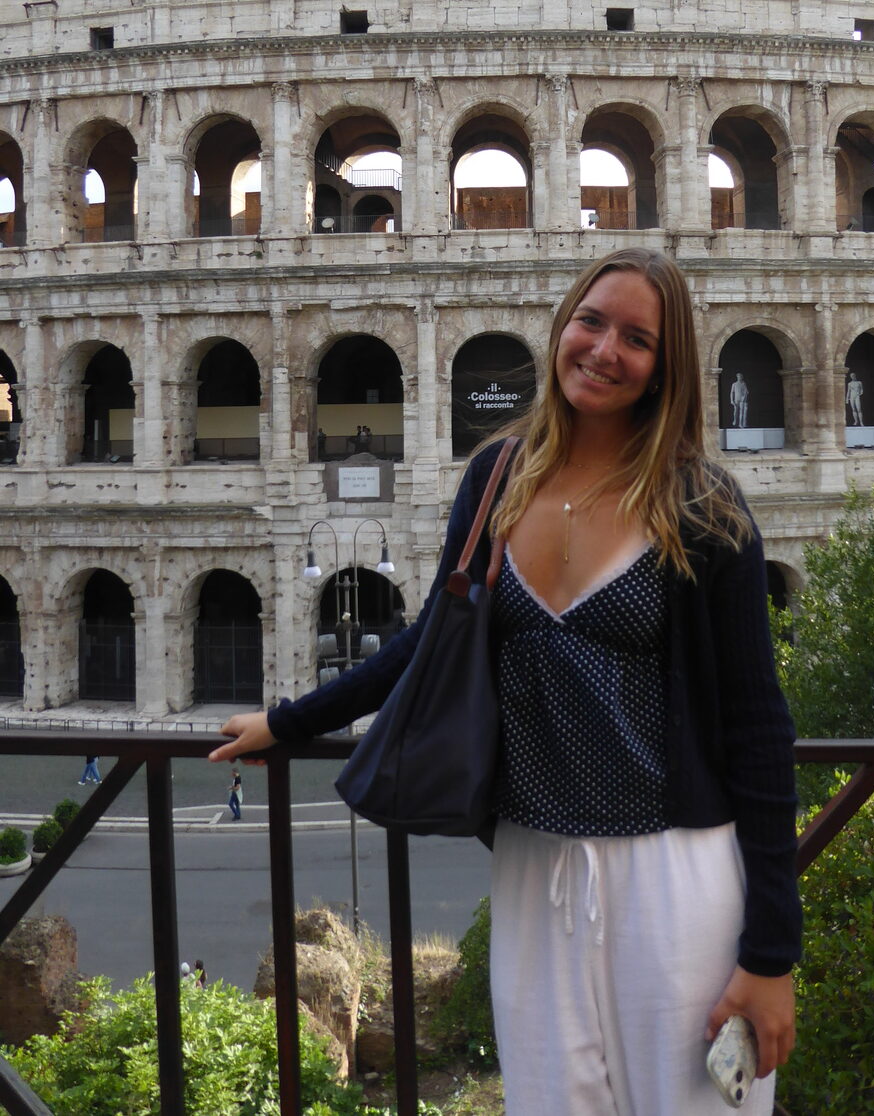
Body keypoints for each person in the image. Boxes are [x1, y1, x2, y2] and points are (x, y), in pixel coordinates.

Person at [209, 248, 800, 1115]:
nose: (603, 349)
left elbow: (758, 730)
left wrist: (771, 958)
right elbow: (430, 642)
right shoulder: (498, 478)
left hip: (674, 873)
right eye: (591, 321)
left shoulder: (703, 507)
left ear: (664, 370)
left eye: (637, 338)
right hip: (533, 861)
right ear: (562, 325)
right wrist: (293, 720)